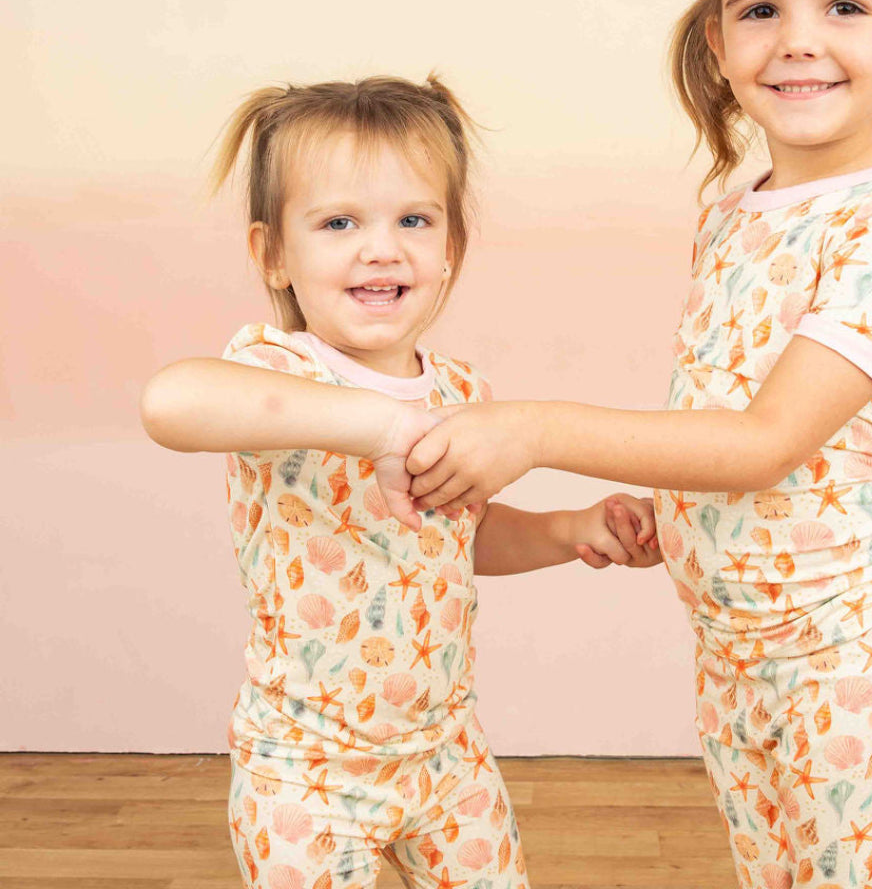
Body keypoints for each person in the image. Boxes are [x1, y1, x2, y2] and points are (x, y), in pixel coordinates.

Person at [404, 0, 872, 887]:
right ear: (718, 41)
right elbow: (718, 397)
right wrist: (666, 511)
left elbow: (765, 443)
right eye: (759, 10)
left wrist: (533, 431)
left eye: (845, 5)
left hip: (851, 655)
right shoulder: (736, 211)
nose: (797, 39)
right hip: (735, 649)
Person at [139, 75, 659, 889]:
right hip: (306, 773)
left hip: (445, 755)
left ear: (451, 246)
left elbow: (461, 534)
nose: (382, 248)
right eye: (339, 222)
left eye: (414, 220)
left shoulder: (460, 392)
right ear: (271, 253)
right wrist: (377, 426)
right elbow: (170, 403)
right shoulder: (278, 373)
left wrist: (570, 529)